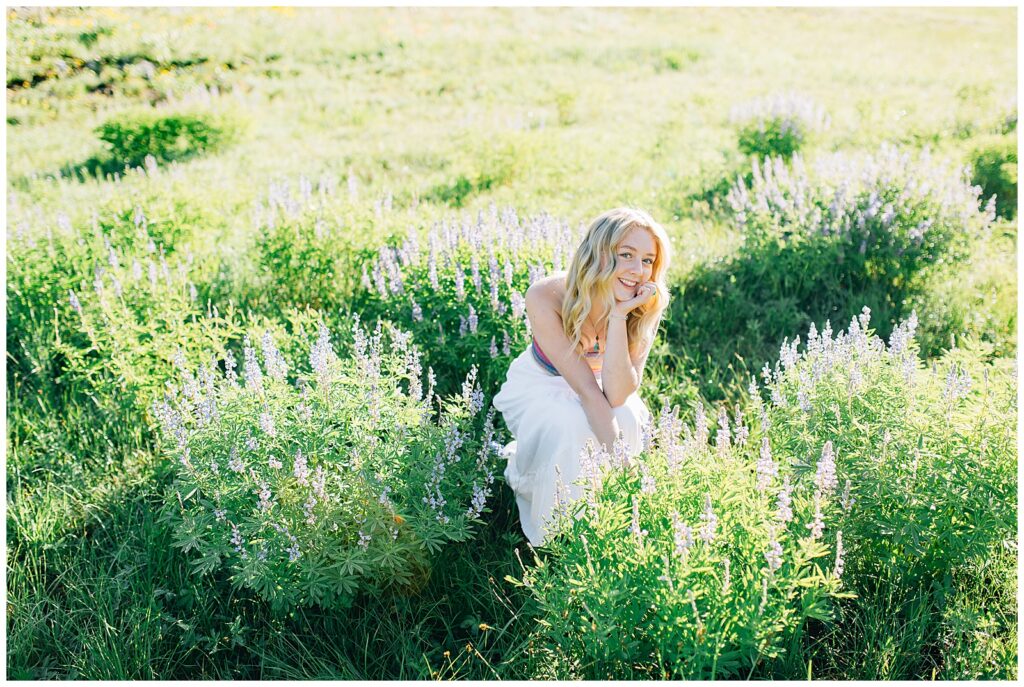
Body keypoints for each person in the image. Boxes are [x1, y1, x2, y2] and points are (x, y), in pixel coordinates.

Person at [493, 207, 672, 546]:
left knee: (629, 417)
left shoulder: (644, 302)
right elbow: (588, 392)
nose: (638, 271)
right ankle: (557, 534)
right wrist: (624, 468)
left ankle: (612, 518)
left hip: (602, 384)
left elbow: (617, 395)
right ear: (599, 254)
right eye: (626, 255)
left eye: (648, 260)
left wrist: (620, 316)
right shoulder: (546, 296)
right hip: (543, 382)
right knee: (570, 424)